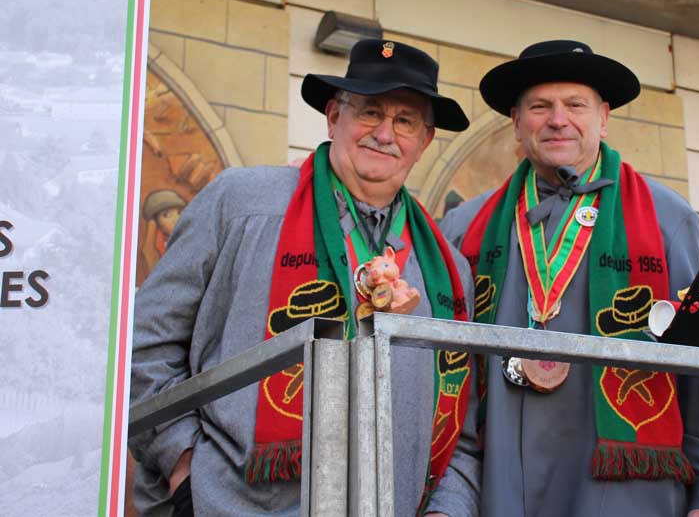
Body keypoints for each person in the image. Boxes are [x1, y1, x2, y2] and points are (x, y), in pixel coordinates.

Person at [130, 40, 480, 517]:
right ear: (334, 117)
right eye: (370, 112)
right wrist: (183, 465)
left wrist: (447, 509)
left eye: (405, 121)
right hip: (231, 507)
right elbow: (147, 342)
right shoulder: (240, 204)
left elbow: (463, 419)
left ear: (424, 140)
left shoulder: (450, 270)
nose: (385, 134)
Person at [440, 40, 699, 517]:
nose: (557, 119)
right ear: (516, 123)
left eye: (575, 105)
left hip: (625, 492)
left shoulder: (668, 219)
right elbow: (449, 373)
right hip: (500, 485)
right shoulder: (466, 227)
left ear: (603, 117)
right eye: (540, 107)